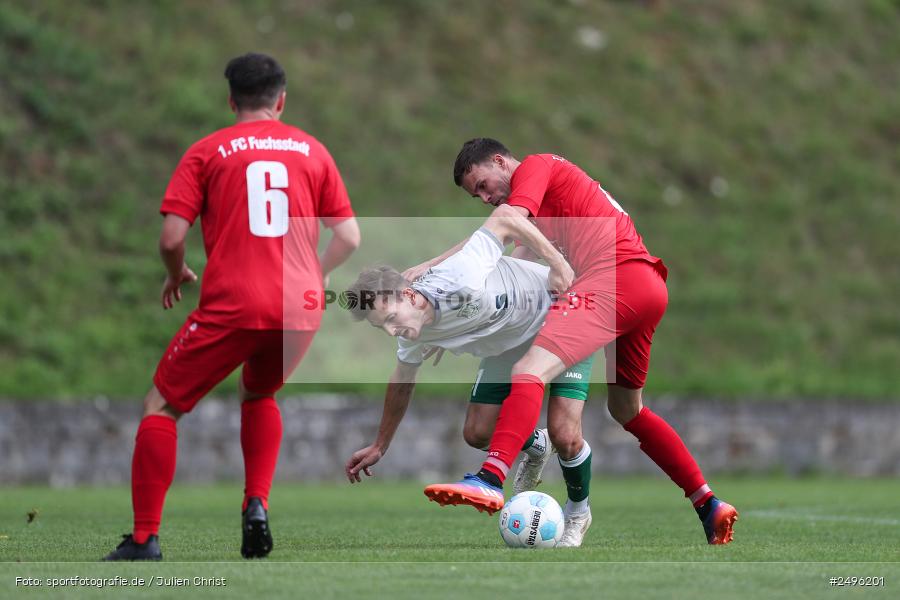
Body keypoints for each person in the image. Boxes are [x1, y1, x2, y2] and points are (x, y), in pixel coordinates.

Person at [415, 138, 737, 545]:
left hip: (611, 280)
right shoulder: (543, 207)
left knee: (529, 370)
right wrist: (452, 313)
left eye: (482, 185)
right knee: (628, 410)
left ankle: (491, 478)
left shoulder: (534, 166)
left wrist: (427, 268)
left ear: (500, 161)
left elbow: (502, 224)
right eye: (475, 195)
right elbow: (498, 257)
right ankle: (708, 503)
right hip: (647, 286)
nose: (485, 198)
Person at [103, 53, 360, 561]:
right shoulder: (312, 150)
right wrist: (316, 273)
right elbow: (349, 236)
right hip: (299, 307)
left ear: (231, 100)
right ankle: (256, 504)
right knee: (259, 391)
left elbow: (171, 237)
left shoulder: (207, 152)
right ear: (280, 100)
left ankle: (144, 539)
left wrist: (176, 272)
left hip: (235, 303)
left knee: (161, 406)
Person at [343, 227, 595, 547]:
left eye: (391, 318)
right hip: (509, 340)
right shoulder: (413, 330)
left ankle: (578, 513)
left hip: (565, 311)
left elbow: (507, 219)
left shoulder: (460, 274)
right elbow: (402, 381)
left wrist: (557, 263)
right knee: (477, 433)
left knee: (565, 434)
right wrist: (380, 445)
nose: (392, 331)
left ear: (409, 295)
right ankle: (537, 445)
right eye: (383, 326)